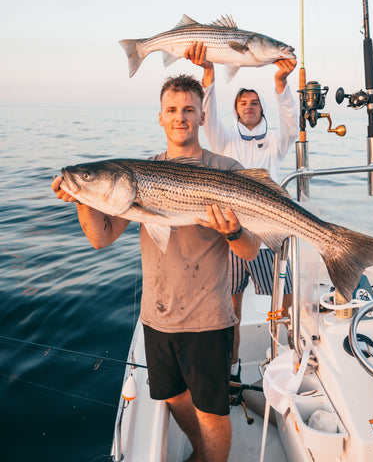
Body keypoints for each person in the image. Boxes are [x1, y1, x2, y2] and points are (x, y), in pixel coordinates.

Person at [52, 74, 260, 462]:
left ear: (201, 117)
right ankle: (201, 453)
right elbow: (101, 237)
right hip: (157, 316)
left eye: (188, 110)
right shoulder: (139, 174)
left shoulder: (226, 168)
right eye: (171, 110)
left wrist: (233, 232)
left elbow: (250, 251)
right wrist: (81, 193)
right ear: (160, 117)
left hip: (208, 319)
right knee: (172, 395)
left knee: (212, 413)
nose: (179, 117)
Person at [185, 42, 299, 384]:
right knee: (231, 306)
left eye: (254, 103)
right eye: (243, 103)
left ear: (262, 108)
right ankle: (232, 366)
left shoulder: (277, 141)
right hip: (232, 237)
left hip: (267, 237)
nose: (249, 107)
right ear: (235, 111)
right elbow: (208, 111)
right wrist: (208, 74)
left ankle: (288, 357)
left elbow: (291, 120)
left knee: (285, 300)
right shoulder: (223, 140)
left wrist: (280, 82)